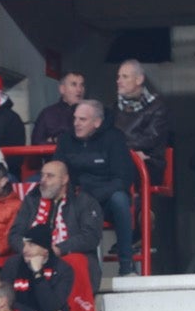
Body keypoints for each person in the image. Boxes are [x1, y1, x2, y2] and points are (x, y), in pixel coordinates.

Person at [54, 99, 137, 275]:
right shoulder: (65, 140)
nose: (76, 123)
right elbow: (58, 171)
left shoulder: (114, 138)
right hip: (75, 199)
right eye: (75, 118)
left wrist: (94, 196)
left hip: (106, 199)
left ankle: (125, 266)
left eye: (82, 119)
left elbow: (123, 179)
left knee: (120, 200)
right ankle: (67, 269)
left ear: (97, 122)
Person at [33, 71, 83, 147]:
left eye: (82, 85)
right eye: (74, 85)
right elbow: (36, 143)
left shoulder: (92, 113)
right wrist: (55, 140)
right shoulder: (47, 114)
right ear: (62, 89)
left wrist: (55, 140)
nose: (79, 90)